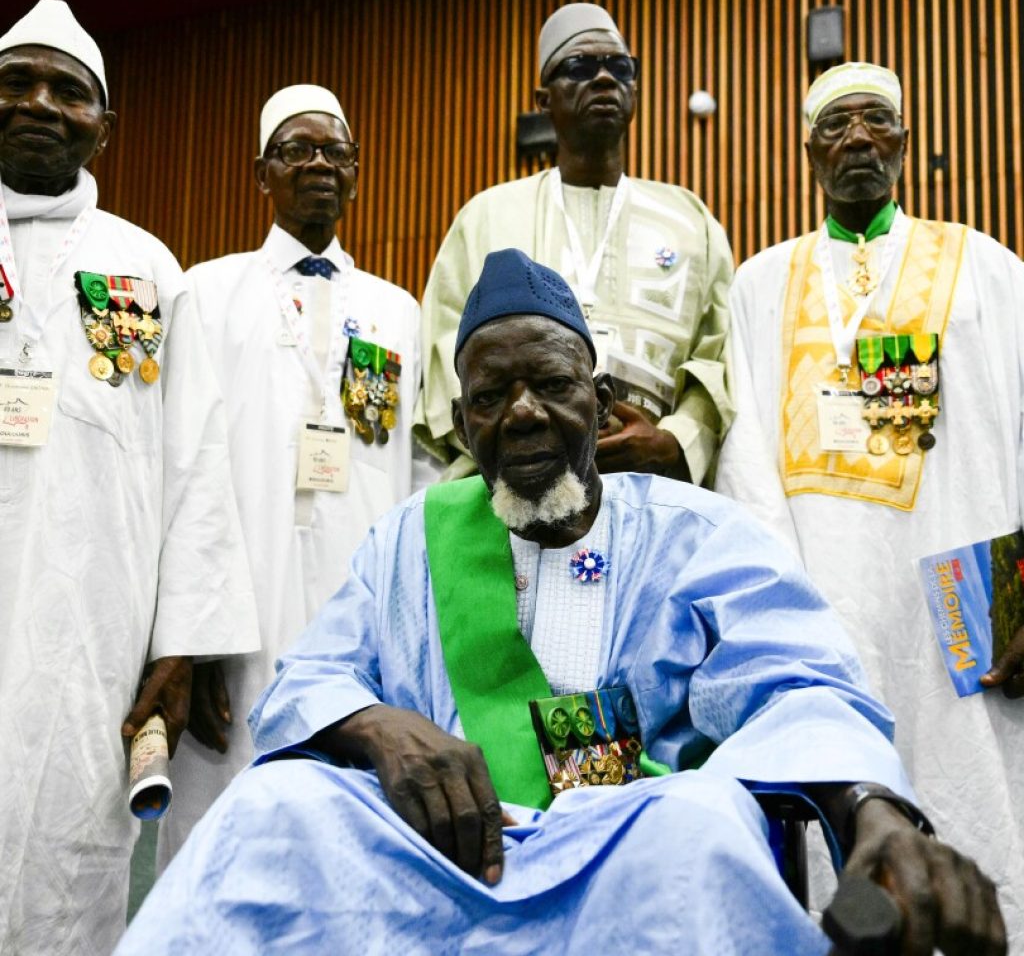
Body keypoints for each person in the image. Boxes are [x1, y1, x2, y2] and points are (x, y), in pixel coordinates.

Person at [119, 249, 1005, 956]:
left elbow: (802, 685)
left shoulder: (698, 535)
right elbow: (311, 679)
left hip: (628, 851)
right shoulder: (406, 541)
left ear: (601, 398)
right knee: (271, 810)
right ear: (463, 425)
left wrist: (872, 810)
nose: (525, 414)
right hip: (445, 859)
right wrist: (380, 728)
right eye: (492, 397)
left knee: (698, 822)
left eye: (551, 384)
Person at [716, 61, 1024, 943]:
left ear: (901, 141)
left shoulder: (990, 270)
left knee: (981, 810)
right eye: (835, 125)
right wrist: (789, 609)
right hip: (827, 597)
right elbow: (744, 464)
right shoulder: (761, 285)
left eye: (875, 121)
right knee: (843, 805)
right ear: (808, 152)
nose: (857, 137)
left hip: (968, 607)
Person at [0, 0, 258, 955]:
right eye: (17, 81)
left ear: (105, 127)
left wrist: (184, 645)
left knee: (64, 862)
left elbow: (197, 459)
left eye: (68, 91)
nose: (38, 102)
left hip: (88, 641)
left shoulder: (146, 268)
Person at [157, 85, 422, 867]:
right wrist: (191, 637)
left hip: (357, 611)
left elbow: (414, 477)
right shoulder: (205, 290)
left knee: (347, 842)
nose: (317, 165)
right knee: (222, 836)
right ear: (260, 172)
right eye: (295, 150)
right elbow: (184, 468)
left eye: (333, 152)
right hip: (237, 622)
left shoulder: (395, 309)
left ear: (356, 172)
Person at [415, 2, 732, 486]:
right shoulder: (488, 215)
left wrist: (676, 441)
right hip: (512, 488)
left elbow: (720, 355)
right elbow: (444, 359)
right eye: (580, 67)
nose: (604, 79)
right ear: (544, 99)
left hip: (654, 486)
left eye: (619, 68)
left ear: (635, 88)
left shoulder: (690, 220)